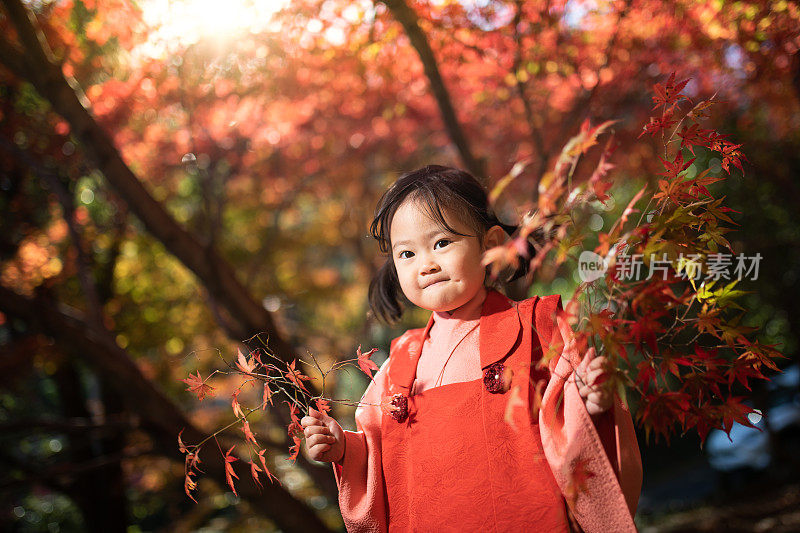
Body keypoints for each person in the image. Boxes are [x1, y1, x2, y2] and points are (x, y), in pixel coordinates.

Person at [301, 165, 642, 532]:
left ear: (491, 244)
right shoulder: (399, 361)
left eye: (442, 243)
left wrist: (589, 407)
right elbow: (383, 459)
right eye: (406, 254)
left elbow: (570, 423)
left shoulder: (536, 327)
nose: (426, 265)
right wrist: (346, 452)